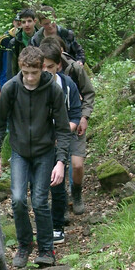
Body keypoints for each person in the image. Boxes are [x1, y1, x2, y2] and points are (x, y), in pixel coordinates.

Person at [0, 46, 71, 267]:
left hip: (45, 151)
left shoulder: (52, 90)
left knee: (39, 201)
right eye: (26, 72)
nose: (29, 77)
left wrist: (60, 161)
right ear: (21, 68)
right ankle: (24, 245)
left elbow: (63, 129)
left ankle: (46, 249)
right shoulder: (10, 88)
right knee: (18, 200)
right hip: (19, 152)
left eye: (34, 73)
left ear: (42, 69)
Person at [40, 36, 96, 216]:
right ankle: (61, 201)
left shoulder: (73, 72)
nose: (46, 70)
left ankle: (76, 194)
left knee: (77, 165)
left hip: (74, 124)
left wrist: (84, 117)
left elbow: (87, 95)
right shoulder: (36, 81)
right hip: (51, 132)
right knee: (58, 166)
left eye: (50, 66)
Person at [41, 45, 82, 243]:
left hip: (62, 137)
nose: (46, 71)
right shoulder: (32, 85)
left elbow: (75, 114)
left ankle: (58, 223)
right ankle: (43, 221)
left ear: (58, 65)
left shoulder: (67, 85)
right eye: (42, 67)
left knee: (57, 180)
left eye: (50, 67)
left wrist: (63, 133)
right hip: (40, 140)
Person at [7, 8, 38, 79]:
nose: (27, 25)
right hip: (21, 79)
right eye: (24, 22)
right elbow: (11, 68)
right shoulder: (14, 42)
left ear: (34, 21)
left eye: (29, 21)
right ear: (20, 24)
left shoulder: (41, 39)